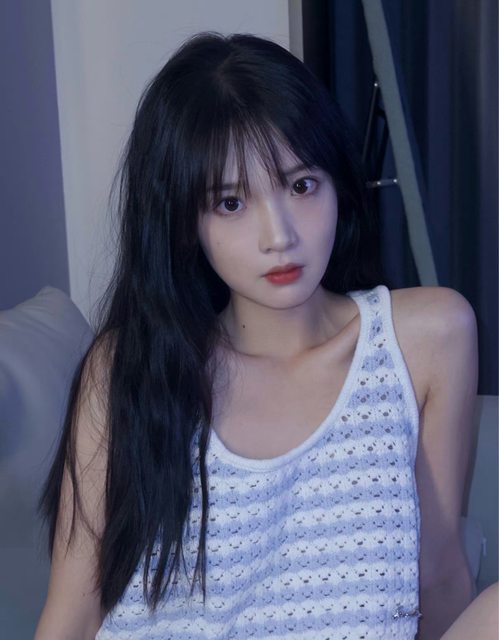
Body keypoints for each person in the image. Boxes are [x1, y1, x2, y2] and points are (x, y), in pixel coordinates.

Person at [34, 32, 482, 639]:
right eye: (230, 203)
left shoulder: (426, 339)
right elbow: (74, 611)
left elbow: (438, 571)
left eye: (301, 186)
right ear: (184, 221)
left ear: (338, 184)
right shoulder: (127, 368)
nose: (280, 236)